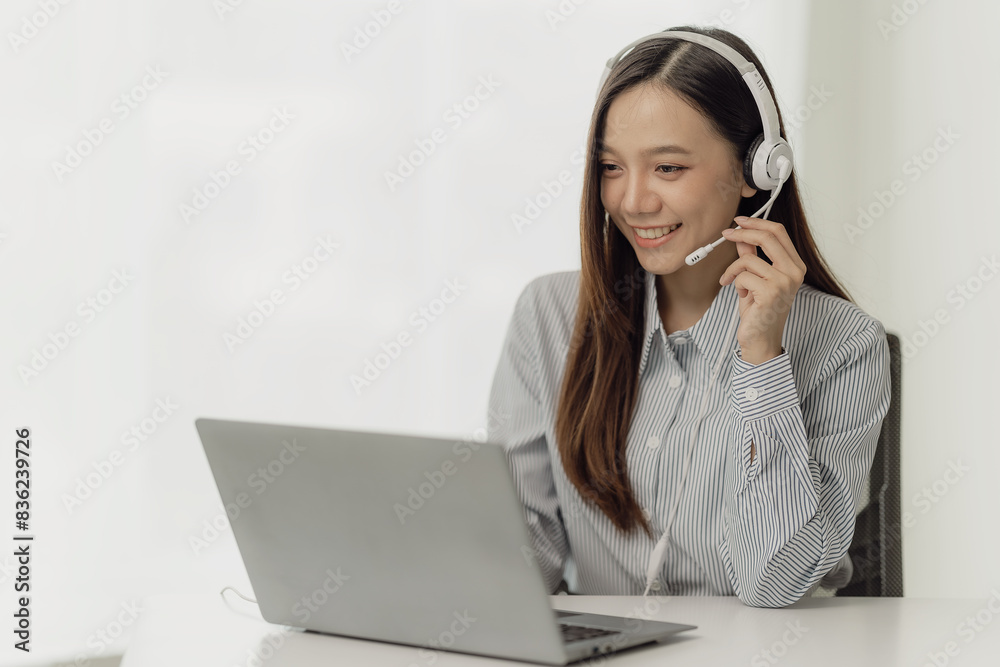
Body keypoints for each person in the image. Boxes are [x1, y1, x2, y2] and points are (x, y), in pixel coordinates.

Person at [486, 25, 891, 608]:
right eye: (611, 167)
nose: (633, 201)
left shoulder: (844, 343)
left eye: (668, 169)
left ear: (757, 173)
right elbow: (526, 556)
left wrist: (761, 360)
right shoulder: (548, 316)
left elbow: (774, 582)